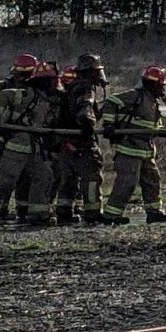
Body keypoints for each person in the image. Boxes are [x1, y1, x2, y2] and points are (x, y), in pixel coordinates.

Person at [0, 61, 61, 228]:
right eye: (51, 80)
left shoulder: (48, 99)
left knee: (44, 175)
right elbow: (3, 96)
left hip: (34, 146)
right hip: (18, 144)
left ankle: (37, 214)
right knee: (7, 180)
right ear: (44, 81)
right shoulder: (27, 95)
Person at [99, 64, 166, 224]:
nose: (163, 89)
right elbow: (111, 102)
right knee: (126, 183)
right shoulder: (135, 96)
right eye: (161, 85)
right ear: (153, 85)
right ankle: (112, 216)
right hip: (129, 149)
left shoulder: (153, 102)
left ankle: (155, 213)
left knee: (153, 181)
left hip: (146, 151)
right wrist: (109, 125)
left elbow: (150, 127)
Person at [0, 53, 38, 222]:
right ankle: (0, 211)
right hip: (3, 141)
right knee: (4, 177)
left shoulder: (32, 88)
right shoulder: (3, 87)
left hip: (17, 140)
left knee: (23, 178)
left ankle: (21, 210)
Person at [54, 55, 107, 224]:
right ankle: (92, 212)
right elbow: (85, 113)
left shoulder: (69, 87)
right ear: (92, 72)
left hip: (66, 142)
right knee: (91, 177)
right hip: (82, 143)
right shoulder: (85, 88)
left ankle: (64, 212)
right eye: (97, 72)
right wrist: (88, 131)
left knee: (68, 179)